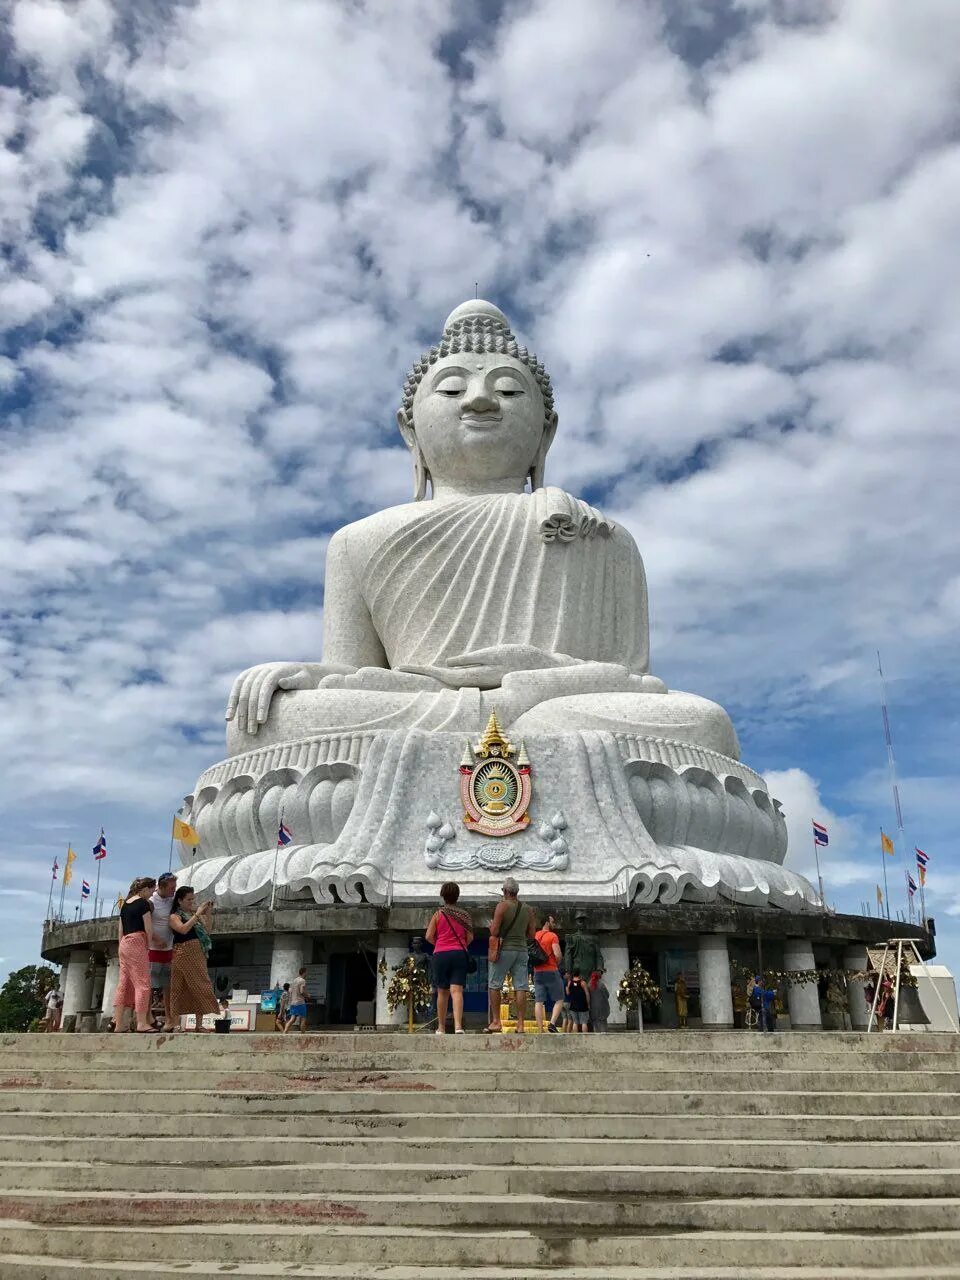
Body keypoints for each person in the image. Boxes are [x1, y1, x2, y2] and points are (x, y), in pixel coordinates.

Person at [485, 878, 535, 1034]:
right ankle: (520, 1024)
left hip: (504, 950)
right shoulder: (528, 909)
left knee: (495, 984)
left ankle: (496, 1022)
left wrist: (491, 924)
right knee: (521, 986)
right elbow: (532, 935)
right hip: (521, 950)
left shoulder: (502, 906)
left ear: (505, 891)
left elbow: (494, 932)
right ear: (517, 892)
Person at [425, 881, 473, 1035]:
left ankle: (441, 1027)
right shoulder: (465, 915)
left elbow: (428, 936)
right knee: (457, 991)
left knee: (442, 992)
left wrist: (439, 944)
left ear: (443, 896)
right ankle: (458, 1027)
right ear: (457, 896)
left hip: (441, 954)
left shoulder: (438, 914)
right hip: (459, 954)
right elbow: (470, 937)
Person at [168, 886, 219, 1032]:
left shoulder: (193, 914)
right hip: (182, 953)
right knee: (178, 987)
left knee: (199, 985)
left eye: (193, 899)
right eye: (189, 899)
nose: (192, 902)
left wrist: (207, 914)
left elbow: (207, 931)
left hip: (198, 953)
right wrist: (196, 914)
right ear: (180, 900)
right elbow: (183, 929)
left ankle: (199, 1024)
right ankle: (176, 1023)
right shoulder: (174, 916)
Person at [113, 876, 158, 1033]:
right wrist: (147, 946)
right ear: (145, 889)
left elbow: (120, 931)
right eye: (152, 890)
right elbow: (149, 928)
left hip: (124, 943)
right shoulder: (143, 903)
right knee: (143, 984)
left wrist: (121, 948)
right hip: (138, 940)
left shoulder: (125, 905)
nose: (152, 893)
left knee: (123, 984)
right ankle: (141, 1023)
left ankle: (118, 1024)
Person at [148, 872, 177, 1032]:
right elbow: (145, 923)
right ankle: (147, 1018)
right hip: (153, 949)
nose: (174, 890)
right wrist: (155, 938)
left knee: (168, 986)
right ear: (162, 887)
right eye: (171, 888)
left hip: (169, 949)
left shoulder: (172, 901)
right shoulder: (151, 902)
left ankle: (169, 1018)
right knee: (150, 986)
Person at [532, 911, 563, 1033]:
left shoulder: (535, 935)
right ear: (547, 923)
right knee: (559, 999)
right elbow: (557, 954)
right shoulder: (552, 936)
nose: (553, 923)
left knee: (539, 1001)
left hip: (537, 971)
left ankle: (540, 1030)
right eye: (552, 921)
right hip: (551, 970)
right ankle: (552, 1023)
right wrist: (557, 962)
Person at [566, 915, 604, 981]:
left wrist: (599, 969)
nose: (582, 924)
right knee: (578, 990)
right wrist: (568, 971)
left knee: (594, 990)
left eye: (584, 921)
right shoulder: (572, 938)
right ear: (576, 923)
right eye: (580, 921)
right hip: (577, 972)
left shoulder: (593, 938)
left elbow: (598, 955)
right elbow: (568, 956)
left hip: (592, 971)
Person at [284, 967, 309, 1033]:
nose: (307, 974)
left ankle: (285, 1031)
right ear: (304, 972)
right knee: (303, 1019)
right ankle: (303, 1034)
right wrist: (307, 995)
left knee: (292, 1019)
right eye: (306, 972)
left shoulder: (294, 981)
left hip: (293, 1003)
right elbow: (302, 991)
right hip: (300, 1002)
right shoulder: (302, 981)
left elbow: (290, 991)